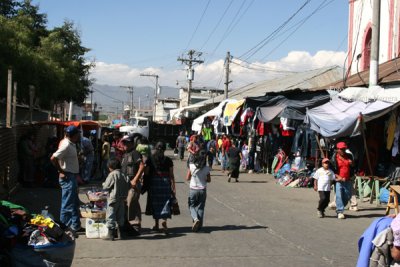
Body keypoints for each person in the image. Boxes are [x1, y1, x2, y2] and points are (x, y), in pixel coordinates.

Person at [50, 125, 84, 235]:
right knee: (67, 204)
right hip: (68, 176)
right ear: (74, 135)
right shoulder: (66, 145)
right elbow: (53, 158)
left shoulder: (70, 143)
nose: (79, 135)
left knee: (74, 203)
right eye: (78, 133)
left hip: (72, 176)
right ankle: (63, 229)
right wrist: (61, 170)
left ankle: (76, 226)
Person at [147, 141, 176, 233]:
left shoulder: (150, 159)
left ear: (156, 148)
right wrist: (173, 186)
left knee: (155, 203)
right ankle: (164, 223)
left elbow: (147, 173)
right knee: (165, 202)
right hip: (165, 183)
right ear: (164, 149)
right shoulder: (168, 160)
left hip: (154, 183)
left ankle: (156, 224)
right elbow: (171, 175)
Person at [120, 134, 144, 236]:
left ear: (131, 143)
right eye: (124, 142)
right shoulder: (125, 154)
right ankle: (128, 225)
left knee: (132, 203)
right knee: (126, 204)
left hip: (132, 183)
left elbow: (142, 166)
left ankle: (135, 226)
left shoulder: (135, 153)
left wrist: (135, 179)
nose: (124, 145)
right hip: (125, 183)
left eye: (126, 143)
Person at [102, 159, 130, 240]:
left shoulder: (112, 174)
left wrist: (103, 184)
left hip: (113, 199)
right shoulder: (123, 174)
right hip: (122, 198)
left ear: (111, 167)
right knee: (120, 216)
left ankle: (110, 235)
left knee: (110, 215)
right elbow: (128, 184)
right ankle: (122, 234)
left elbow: (106, 186)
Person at [186, 150, 211, 232]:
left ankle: (195, 219)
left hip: (193, 189)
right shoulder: (207, 168)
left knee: (191, 205)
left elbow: (187, 178)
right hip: (202, 190)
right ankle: (199, 227)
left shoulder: (192, 166)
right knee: (201, 208)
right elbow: (209, 180)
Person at [331, 141, 354, 219]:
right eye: (341, 149)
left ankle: (339, 207)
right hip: (339, 180)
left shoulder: (349, 156)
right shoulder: (334, 158)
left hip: (347, 179)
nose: (343, 151)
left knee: (347, 196)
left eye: (344, 149)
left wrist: (352, 164)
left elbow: (354, 166)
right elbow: (332, 170)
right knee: (339, 195)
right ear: (337, 149)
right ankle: (340, 211)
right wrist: (338, 177)